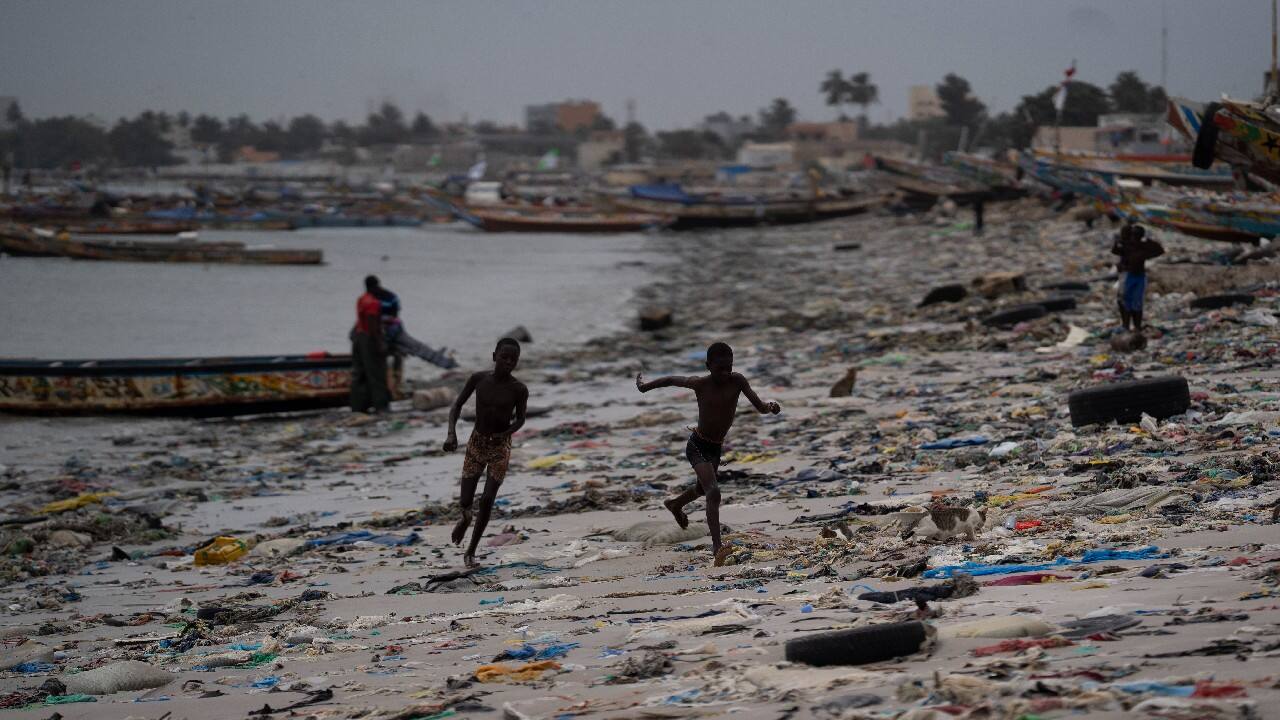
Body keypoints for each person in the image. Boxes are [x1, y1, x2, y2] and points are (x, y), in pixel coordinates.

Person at [635, 342, 781, 559]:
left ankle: (675, 504)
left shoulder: (738, 381)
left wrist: (770, 407)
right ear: (708, 366)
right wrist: (644, 387)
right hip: (697, 446)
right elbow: (671, 380)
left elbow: (759, 406)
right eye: (720, 368)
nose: (725, 373)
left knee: (702, 490)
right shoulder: (700, 384)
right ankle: (717, 547)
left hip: (715, 448)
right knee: (713, 492)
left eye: (729, 367)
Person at [443, 338, 528, 567]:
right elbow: (456, 406)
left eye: (513, 360)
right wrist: (451, 434)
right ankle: (465, 517)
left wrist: (507, 432)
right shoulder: (478, 380)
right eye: (504, 357)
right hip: (476, 444)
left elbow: (520, 418)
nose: (508, 362)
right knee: (466, 500)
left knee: (488, 499)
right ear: (494, 356)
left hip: (501, 447)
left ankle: (470, 551)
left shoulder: (519, 389)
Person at [371, 285, 457, 370]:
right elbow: (396, 311)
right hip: (396, 328)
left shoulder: (374, 299)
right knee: (415, 349)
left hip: (389, 331)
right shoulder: (390, 296)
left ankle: (446, 363)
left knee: (405, 350)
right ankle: (445, 362)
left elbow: (380, 316)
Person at [1112, 223, 1164, 333]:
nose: (1135, 236)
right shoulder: (1128, 244)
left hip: (1137, 275)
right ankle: (1127, 326)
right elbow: (1115, 250)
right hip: (1129, 274)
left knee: (1134, 302)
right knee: (1126, 300)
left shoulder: (1141, 246)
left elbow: (1159, 250)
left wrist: (1147, 241)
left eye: (1137, 234)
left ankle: (1135, 326)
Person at [350, 275, 390, 413]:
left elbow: (360, 320)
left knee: (359, 373)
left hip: (359, 337)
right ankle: (381, 406)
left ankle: (358, 406)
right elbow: (372, 322)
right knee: (376, 373)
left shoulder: (361, 299)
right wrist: (379, 343)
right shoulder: (373, 302)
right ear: (374, 286)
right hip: (369, 338)